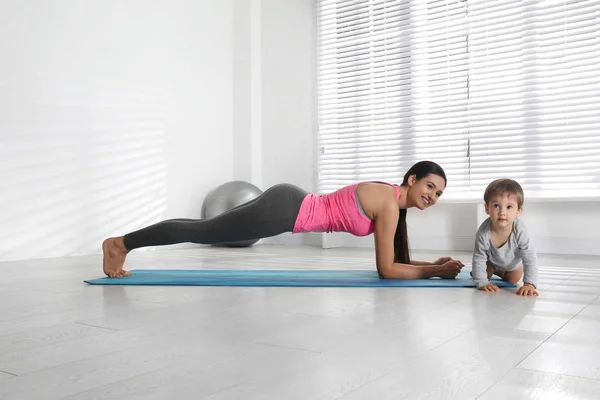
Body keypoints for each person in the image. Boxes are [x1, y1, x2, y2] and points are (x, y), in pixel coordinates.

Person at [102, 160, 465, 279]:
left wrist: (431, 263)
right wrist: (434, 272)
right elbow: (387, 270)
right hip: (285, 210)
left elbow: (394, 261)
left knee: (204, 229)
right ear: (412, 179)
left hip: (288, 202)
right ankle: (120, 244)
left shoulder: (391, 201)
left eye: (439, 194)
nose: (432, 197)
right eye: (430, 187)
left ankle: (123, 243)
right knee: (203, 232)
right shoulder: (388, 203)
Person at [471, 178, 539, 296]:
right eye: (496, 206)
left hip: (513, 265)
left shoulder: (520, 231)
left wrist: (529, 284)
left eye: (509, 207)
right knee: (482, 274)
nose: (502, 212)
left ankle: (500, 271)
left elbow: (530, 257)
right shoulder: (483, 233)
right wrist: (481, 282)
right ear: (487, 208)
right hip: (491, 261)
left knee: (512, 279)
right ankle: (494, 269)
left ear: (518, 210)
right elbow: (478, 257)